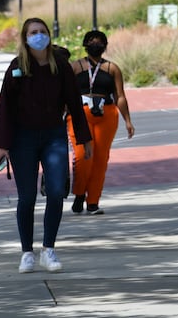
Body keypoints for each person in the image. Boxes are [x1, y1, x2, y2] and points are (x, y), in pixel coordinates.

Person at [0, 17, 93, 273]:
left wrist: (84, 137)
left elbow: (74, 103)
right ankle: (27, 252)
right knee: (27, 197)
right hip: (22, 139)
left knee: (57, 192)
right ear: (25, 39)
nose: (38, 35)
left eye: (42, 31)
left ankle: (49, 249)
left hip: (53, 136)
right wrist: (2, 145)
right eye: (33, 32)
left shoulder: (60, 65)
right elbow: (5, 108)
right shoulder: (17, 67)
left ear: (49, 35)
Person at [67, 30, 135, 215]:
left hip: (106, 114)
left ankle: (93, 201)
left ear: (105, 46)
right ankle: (80, 193)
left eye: (99, 41)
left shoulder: (112, 68)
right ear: (85, 44)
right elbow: (66, 95)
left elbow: (120, 96)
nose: (95, 44)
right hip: (80, 114)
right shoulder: (75, 67)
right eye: (91, 40)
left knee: (100, 159)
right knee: (82, 156)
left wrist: (127, 120)